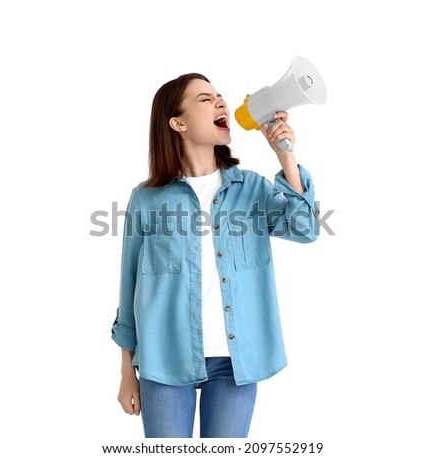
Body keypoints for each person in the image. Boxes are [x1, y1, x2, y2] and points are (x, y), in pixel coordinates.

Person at [111, 72, 319, 438]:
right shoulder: (146, 198)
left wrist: (286, 157)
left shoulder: (251, 188)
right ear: (178, 122)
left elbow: (306, 229)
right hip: (163, 360)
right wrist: (127, 370)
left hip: (235, 363)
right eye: (205, 99)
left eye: (220, 95)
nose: (220, 101)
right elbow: (129, 286)